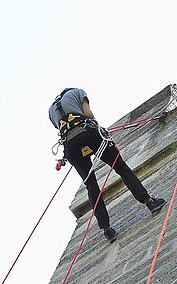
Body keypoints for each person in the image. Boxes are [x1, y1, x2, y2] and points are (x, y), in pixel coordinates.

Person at [49, 88, 166, 242]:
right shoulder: (77, 92)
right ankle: (149, 202)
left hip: (70, 147)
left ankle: (107, 229)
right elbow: (87, 113)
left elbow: (62, 128)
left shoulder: (51, 110)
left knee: (91, 186)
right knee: (120, 167)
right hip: (88, 133)